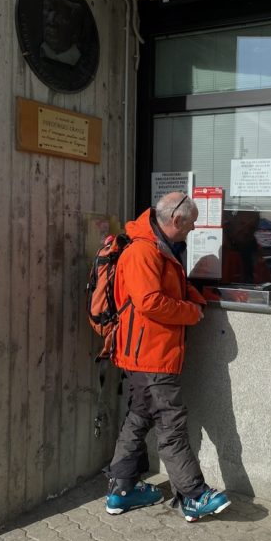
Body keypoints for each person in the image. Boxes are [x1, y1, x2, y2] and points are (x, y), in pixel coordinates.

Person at [104, 191, 231, 522]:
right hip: (150, 355)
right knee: (170, 422)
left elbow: (171, 288)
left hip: (146, 354)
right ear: (175, 220)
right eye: (190, 225)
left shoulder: (160, 249)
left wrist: (196, 296)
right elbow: (150, 302)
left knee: (139, 418)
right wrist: (190, 312)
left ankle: (121, 491)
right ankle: (193, 495)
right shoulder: (143, 252)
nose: (192, 230)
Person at [221, 209, 271, 284]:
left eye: (251, 228)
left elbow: (265, 282)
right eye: (242, 224)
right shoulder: (220, 246)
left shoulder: (256, 251)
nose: (246, 231)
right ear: (233, 221)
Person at [41, 0, 84, 66]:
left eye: (60, 14)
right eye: (48, 9)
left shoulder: (81, 62)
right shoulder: (38, 50)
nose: (51, 20)